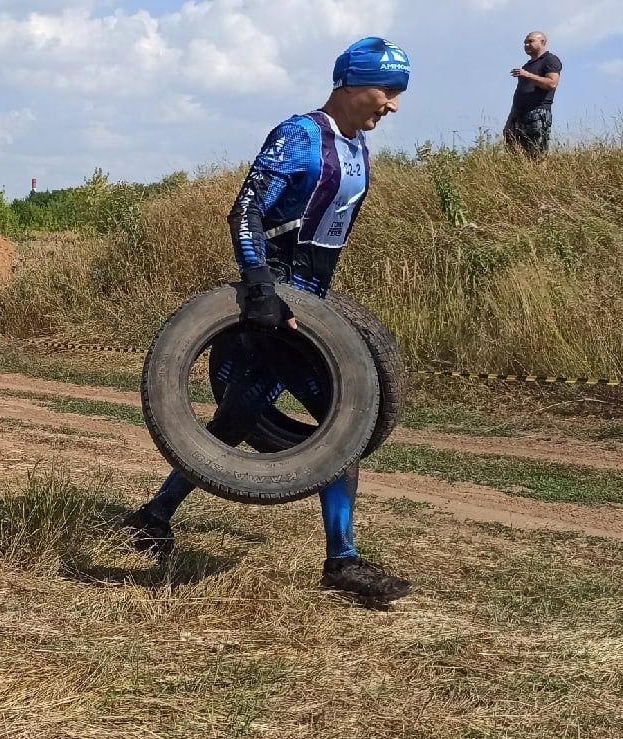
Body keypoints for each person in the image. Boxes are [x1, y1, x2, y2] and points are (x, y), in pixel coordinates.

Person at [123, 37, 414, 604]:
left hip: (311, 311)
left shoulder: (357, 149)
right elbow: (247, 208)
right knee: (339, 422)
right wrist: (259, 287)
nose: (394, 105)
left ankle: (153, 515)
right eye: (388, 91)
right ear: (353, 84)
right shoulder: (298, 136)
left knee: (235, 422)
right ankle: (343, 561)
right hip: (269, 313)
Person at [503, 31, 562, 159]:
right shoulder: (527, 66)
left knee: (538, 155)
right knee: (518, 156)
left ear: (542, 42)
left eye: (530, 41)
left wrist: (527, 75)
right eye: (525, 42)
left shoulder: (550, 60)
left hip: (538, 112)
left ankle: (541, 178)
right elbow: (519, 93)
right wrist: (510, 120)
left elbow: (552, 83)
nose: (526, 45)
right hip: (519, 115)